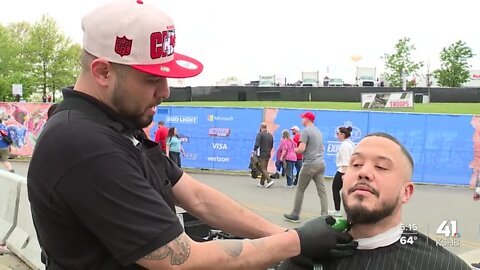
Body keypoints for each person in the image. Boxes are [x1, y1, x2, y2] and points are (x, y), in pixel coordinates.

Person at [27, 1, 357, 269]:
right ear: (103, 71)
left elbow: (196, 197)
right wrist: (294, 243)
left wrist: (282, 233)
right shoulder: (84, 143)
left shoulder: (117, 125)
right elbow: (179, 259)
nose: (166, 91)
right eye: (151, 79)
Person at [279, 132, 471, 270]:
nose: (364, 172)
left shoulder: (442, 265)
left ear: (406, 192)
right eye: (356, 164)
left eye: (381, 166)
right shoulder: (306, 256)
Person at [284, 112, 327, 222]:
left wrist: (294, 150)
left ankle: (295, 214)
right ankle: (325, 215)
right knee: (322, 191)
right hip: (320, 163)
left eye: (303, 118)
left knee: (300, 189)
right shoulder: (318, 132)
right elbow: (322, 148)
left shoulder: (305, 131)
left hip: (309, 164)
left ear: (307, 119)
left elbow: (301, 149)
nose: (301, 120)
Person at [331, 126, 355, 217]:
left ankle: (338, 210)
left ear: (342, 134)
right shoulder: (350, 144)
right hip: (348, 170)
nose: (337, 135)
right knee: (345, 192)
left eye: (338, 134)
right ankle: (344, 210)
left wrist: (344, 174)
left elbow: (346, 160)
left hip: (343, 171)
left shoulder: (345, 145)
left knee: (336, 189)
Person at [253, 122, 275, 188]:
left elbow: (257, 144)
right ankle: (261, 183)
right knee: (264, 168)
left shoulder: (260, 134)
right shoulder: (270, 135)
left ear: (261, 127)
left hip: (261, 154)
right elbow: (271, 145)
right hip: (268, 153)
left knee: (262, 168)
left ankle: (269, 180)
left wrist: (254, 150)